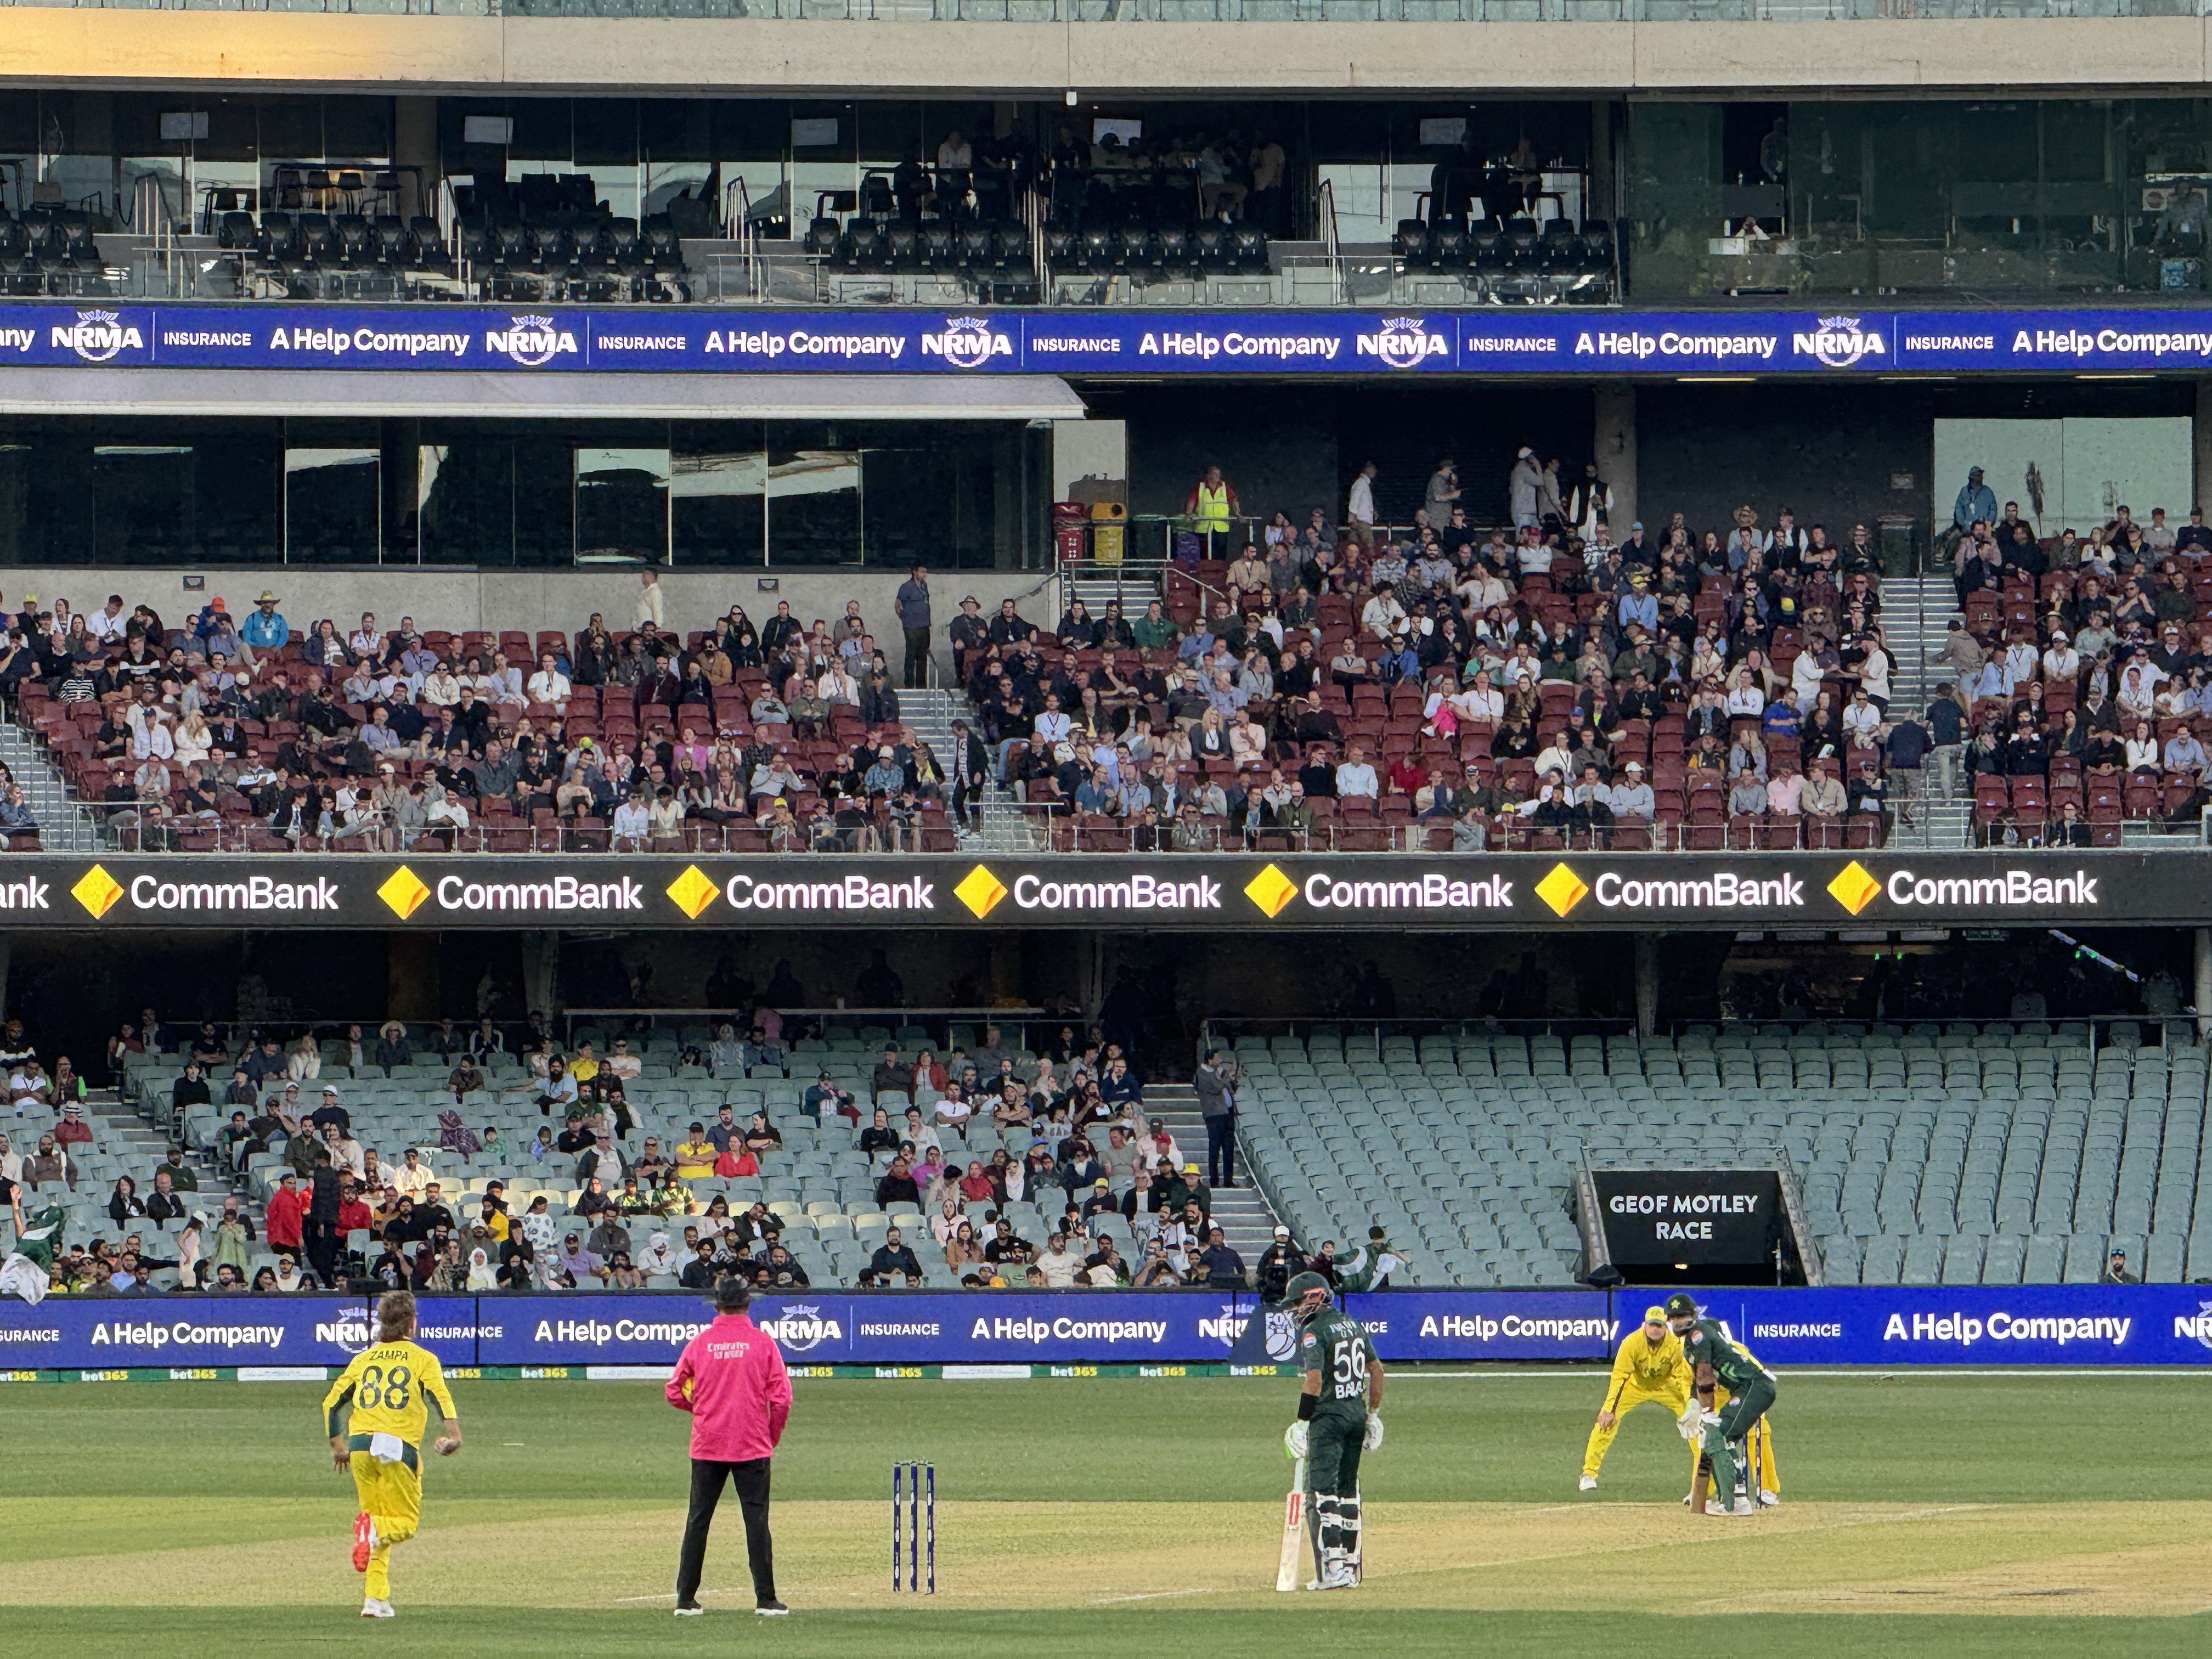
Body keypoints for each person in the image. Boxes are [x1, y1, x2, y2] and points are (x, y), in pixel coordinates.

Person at [320, 1290, 461, 1618]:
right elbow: (441, 1398)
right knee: (403, 1524)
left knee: (376, 1523)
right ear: (412, 1324)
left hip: (359, 1449)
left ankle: (375, 1599)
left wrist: (338, 1448)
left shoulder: (362, 1359)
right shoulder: (423, 1359)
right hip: (397, 1447)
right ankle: (369, 1533)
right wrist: (454, 1435)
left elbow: (331, 1404)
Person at [667, 1276, 792, 1618]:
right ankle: (766, 1599)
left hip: (708, 1443)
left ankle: (686, 1599)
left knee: (698, 1520)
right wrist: (770, 1437)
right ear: (748, 1305)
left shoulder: (700, 1343)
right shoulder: (763, 1343)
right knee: (756, 1520)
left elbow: (674, 1391)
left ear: (717, 1305)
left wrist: (703, 1409)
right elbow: (781, 1399)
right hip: (752, 1444)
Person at [1279, 1271, 1383, 1591]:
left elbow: (1314, 1380)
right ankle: (1350, 1568)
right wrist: (1374, 1414)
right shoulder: (1352, 1323)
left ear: (1314, 1297)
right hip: (1356, 1412)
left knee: (1324, 1492)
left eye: (1298, 1302)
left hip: (1328, 1417)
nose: (1296, 1310)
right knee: (1348, 1491)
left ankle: (1334, 1568)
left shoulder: (1313, 1332)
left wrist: (1301, 1421)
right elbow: (1376, 1370)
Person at [1667, 1290, 1775, 1517]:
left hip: (1755, 1387)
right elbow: (1700, 1375)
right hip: (1747, 1388)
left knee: (1720, 1437)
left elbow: (1705, 1374)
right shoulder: (1705, 1329)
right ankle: (1733, 1499)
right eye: (1674, 1318)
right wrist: (1694, 1404)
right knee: (1719, 1438)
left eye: (1682, 1317)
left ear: (1694, 1315)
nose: (1677, 1323)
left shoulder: (1697, 1334)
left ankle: (1736, 1503)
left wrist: (1706, 1414)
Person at [1579, 1304, 1691, 1491]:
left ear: (1666, 1326)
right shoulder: (1631, 1342)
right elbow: (1619, 1376)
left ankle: (1703, 1483)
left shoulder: (1675, 1345)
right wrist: (1609, 1409)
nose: (1656, 1329)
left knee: (1695, 1426)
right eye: (1652, 1325)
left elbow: (1683, 1377)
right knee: (1606, 1423)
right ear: (1645, 1325)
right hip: (1635, 1386)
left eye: (1660, 1326)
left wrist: (1691, 1405)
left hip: (1666, 1386)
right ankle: (1589, 1473)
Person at [1193, 1047, 1238, 1189]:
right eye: (1217, 1058)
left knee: (1229, 1148)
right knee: (1215, 1148)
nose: (1219, 1061)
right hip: (1214, 1115)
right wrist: (1224, 1077)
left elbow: (1230, 1087)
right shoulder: (1202, 1074)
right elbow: (1215, 1087)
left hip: (1228, 1113)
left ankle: (1228, 1180)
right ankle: (1214, 1180)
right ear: (1210, 1059)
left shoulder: (1218, 1072)